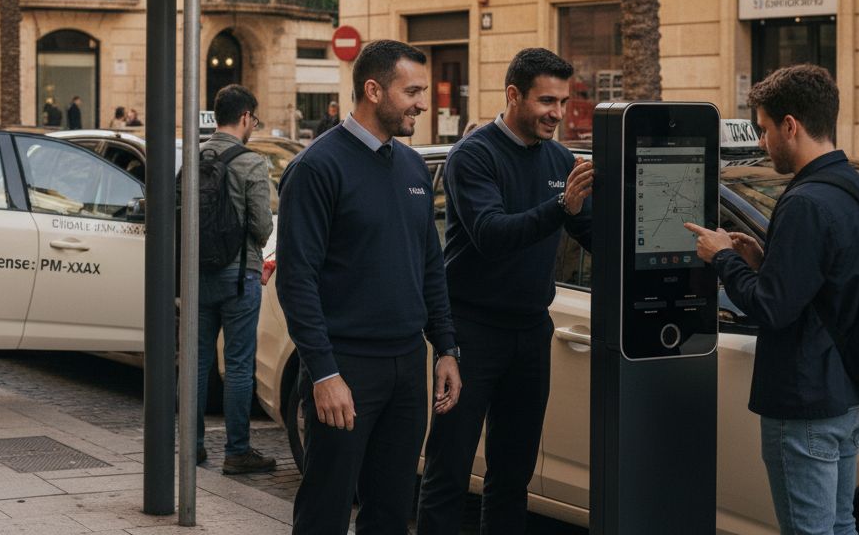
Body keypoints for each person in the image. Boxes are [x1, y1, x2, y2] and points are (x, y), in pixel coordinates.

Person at [277, 39, 461, 534]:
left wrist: (446, 348)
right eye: (412, 92)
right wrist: (323, 373)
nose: (422, 104)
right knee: (326, 510)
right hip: (346, 366)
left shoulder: (412, 166)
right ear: (374, 90)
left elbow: (430, 266)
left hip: (408, 365)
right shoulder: (316, 167)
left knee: (392, 511)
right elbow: (297, 281)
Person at [685, 64, 859, 535]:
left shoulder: (805, 201)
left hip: (806, 398)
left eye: (765, 129)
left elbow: (771, 308)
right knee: (841, 525)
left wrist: (722, 257)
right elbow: (826, 281)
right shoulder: (851, 185)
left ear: (790, 126)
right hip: (851, 390)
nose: (761, 142)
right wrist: (762, 258)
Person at [417, 48, 594, 534]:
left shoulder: (560, 158)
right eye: (547, 101)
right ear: (514, 95)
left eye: (563, 102)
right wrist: (561, 206)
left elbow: (593, 234)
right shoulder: (473, 155)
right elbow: (491, 234)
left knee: (513, 474)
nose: (557, 113)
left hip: (532, 331)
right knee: (449, 468)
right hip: (471, 333)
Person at [195, 84, 276, 474]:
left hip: (197, 274)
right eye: (254, 120)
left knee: (196, 362)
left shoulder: (193, 158)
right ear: (245, 117)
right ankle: (237, 451)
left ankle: (192, 446)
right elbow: (262, 225)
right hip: (240, 275)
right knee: (239, 365)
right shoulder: (251, 163)